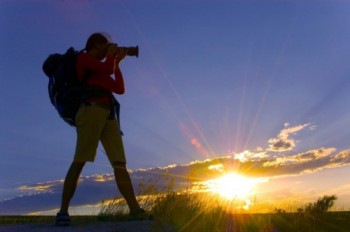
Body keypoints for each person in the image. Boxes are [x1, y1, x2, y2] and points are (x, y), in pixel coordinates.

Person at [55, 33, 145, 226]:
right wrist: (112, 58)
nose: (108, 50)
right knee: (80, 160)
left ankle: (135, 209)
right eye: (106, 46)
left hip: (109, 114)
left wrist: (118, 64)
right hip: (90, 110)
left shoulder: (103, 70)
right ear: (96, 45)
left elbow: (119, 89)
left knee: (119, 163)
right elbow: (105, 67)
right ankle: (63, 211)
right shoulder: (84, 58)